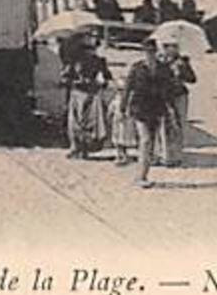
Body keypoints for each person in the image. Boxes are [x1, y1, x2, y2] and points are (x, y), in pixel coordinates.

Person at [122, 39, 177, 188]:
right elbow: (128, 88)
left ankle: (143, 175)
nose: (150, 55)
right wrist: (123, 107)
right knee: (145, 140)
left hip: (156, 107)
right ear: (143, 52)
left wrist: (170, 108)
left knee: (150, 143)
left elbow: (170, 90)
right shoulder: (137, 68)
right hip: (140, 107)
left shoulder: (164, 69)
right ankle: (140, 176)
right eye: (147, 52)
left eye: (152, 52)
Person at [62, 37, 112, 159]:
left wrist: (101, 81)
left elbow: (107, 77)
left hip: (91, 94)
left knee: (89, 122)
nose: (90, 51)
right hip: (77, 93)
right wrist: (76, 80)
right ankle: (74, 147)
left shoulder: (99, 61)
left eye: (92, 48)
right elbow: (65, 78)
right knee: (74, 122)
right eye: (86, 49)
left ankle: (85, 149)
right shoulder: (74, 62)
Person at [156, 40, 196, 166]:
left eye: (175, 47)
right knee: (162, 124)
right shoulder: (159, 61)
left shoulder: (182, 62)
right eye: (168, 47)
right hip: (163, 95)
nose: (172, 49)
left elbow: (192, 79)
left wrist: (181, 73)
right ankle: (162, 153)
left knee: (178, 124)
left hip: (179, 95)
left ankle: (176, 155)